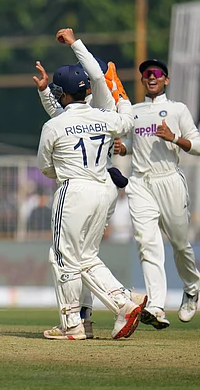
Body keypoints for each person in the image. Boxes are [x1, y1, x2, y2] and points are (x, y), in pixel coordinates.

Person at [33, 28, 140, 338]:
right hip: (102, 190)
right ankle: (123, 303)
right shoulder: (103, 117)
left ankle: (72, 324)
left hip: (74, 190)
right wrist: (122, 99)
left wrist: (61, 170)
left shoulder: (55, 126)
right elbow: (128, 122)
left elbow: (45, 167)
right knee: (86, 257)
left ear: (64, 94)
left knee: (62, 257)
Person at [116, 59, 200, 328]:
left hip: (169, 181)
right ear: (142, 80)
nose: (150, 77)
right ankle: (156, 305)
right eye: (146, 74)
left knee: (179, 244)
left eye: (156, 74)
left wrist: (174, 138)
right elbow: (138, 144)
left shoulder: (177, 110)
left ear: (166, 79)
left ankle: (192, 286)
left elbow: (198, 147)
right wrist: (125, 149)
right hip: (140, 183)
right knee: (147, 243)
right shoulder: (134, 111)